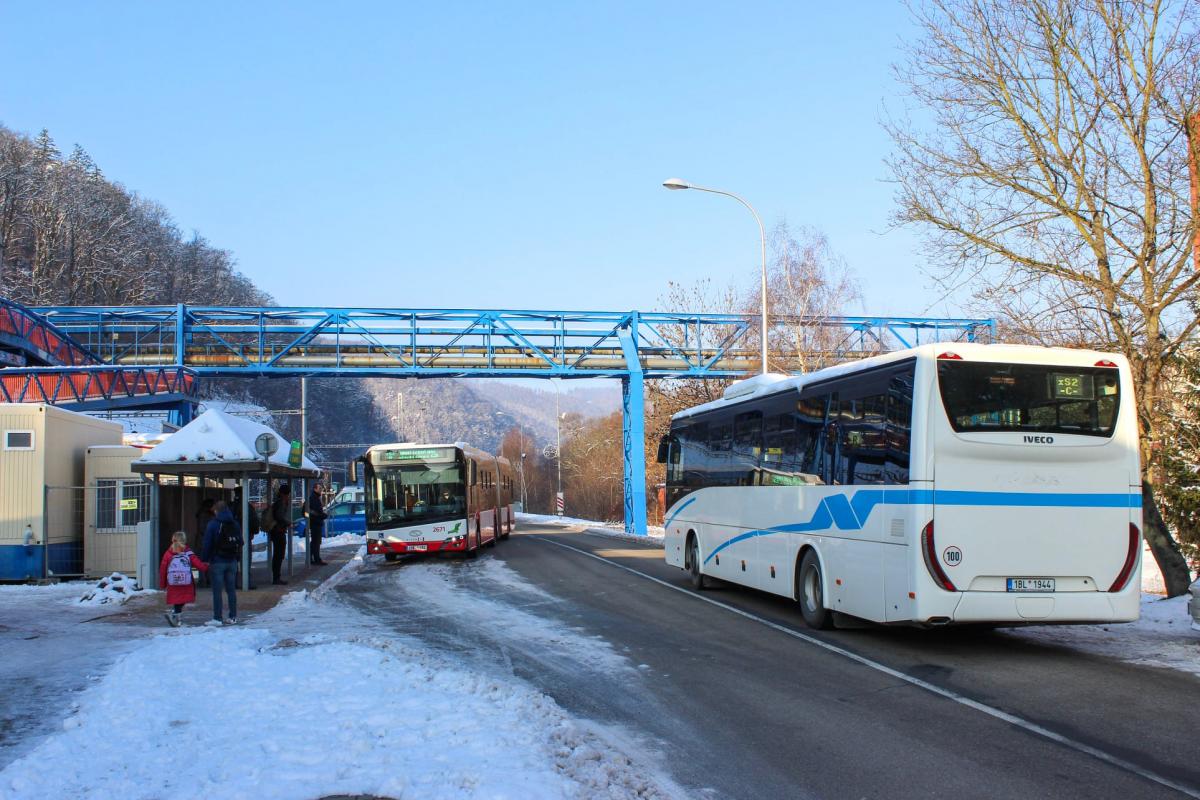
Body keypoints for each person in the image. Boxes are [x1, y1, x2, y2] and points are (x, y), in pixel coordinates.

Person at [201, 500, 242, 626]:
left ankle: (217, 618)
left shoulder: (213, 524)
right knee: (231, 590)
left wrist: (204, 560)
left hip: (217, 561)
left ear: (216, 511)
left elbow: (207, 544)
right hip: (232, 561)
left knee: (217, 591)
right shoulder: (235, 523)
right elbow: (241, 541)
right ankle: (233, 616)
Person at [159, 531, 207, 628]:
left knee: (177, 600)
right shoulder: (188, 552)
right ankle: (176, 616)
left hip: (173, 582)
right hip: (186, 581)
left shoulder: (168, 553)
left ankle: (176, 616)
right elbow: (198, 564)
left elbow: (163, 569)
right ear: (184, 540)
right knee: (183, 599)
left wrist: (162, 583)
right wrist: (206, 567)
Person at [269, 483, 291, 585]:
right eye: (287, 494)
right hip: (278, 532)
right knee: (278, 555)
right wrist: (288, 523)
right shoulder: (281, 503)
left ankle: (276, 577)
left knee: (278, 555)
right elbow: (280, 517)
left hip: (277, 531)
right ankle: (276, 578)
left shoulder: (279, 502)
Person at [304, 483, 328, 566]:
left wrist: (319, 515)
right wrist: (320, 516)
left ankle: (311, 558)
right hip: (315, 523)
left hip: (316, 522)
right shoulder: (313, 498)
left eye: (321, 488)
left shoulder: (315, 498)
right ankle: (316, 559)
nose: (321, 490)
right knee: (316, 542)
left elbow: (310, 512)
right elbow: (306, 512)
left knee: (315, 542)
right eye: (319, 488)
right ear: (315, 489)